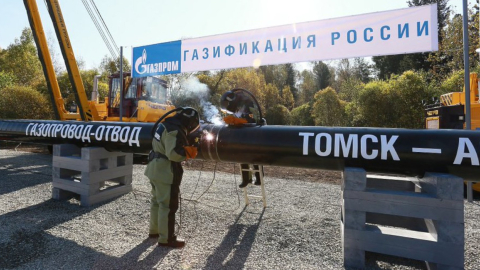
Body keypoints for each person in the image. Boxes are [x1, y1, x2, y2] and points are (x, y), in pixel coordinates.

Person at [144, 107, 200, 248]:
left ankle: (154, 232)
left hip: (153, 168)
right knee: (168, 206)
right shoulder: (175, 130)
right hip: (165, 171)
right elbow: (173, 154)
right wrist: (189, 151)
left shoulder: (164, 124)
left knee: (156, 201)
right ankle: (166, 239)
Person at [220, 89, 265, 188]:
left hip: (254, 132)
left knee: (255, 156)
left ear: (231, 101)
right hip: (242, 133)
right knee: (241, 154)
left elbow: (252, 119)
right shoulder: (237, 106)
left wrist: (236, 120)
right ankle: (246, 179)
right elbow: (238, 119)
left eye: (227, 104)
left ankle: (259, 178)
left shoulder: (248, 103)